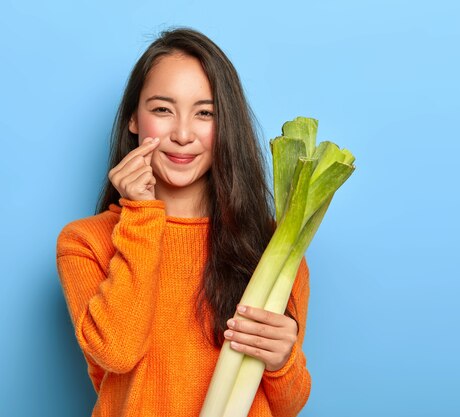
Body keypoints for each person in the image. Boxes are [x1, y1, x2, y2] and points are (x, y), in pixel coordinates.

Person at [56, 27, 311, 417]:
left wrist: (282, 361)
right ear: (134, 120)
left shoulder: (273, 247)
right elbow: (117, 352)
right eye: (162, 109)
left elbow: (288, 405)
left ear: (226, 126)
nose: (182, 134)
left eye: (205, 113)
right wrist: (141, 213)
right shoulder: (84, 242)